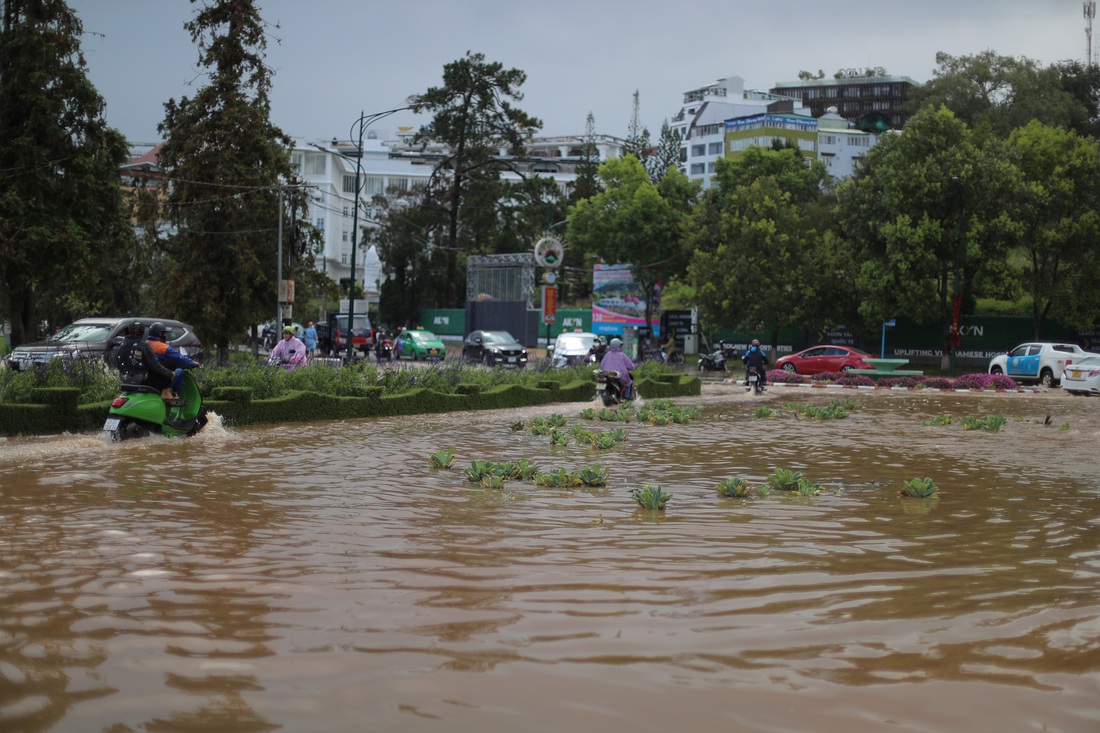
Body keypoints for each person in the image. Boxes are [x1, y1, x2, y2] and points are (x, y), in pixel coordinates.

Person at [116, 321, 179, 403]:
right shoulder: (143, 345)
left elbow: (117, 364)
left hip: (124, 380)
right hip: (142, 380)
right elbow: (155, 365)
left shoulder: (122, 345)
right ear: (143, 332)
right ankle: (166, 393)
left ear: (129, 330)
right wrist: (170, 374)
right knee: (167, 364)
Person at [146, 321, 199, 403]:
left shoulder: (144, 345)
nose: (165, 335)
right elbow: (179, 358)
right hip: (157, 381)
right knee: (179, 371)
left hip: (144, 379)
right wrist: (193, 364)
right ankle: (174, 397)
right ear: (160, 334)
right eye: (164, 333)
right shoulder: (162, 347)